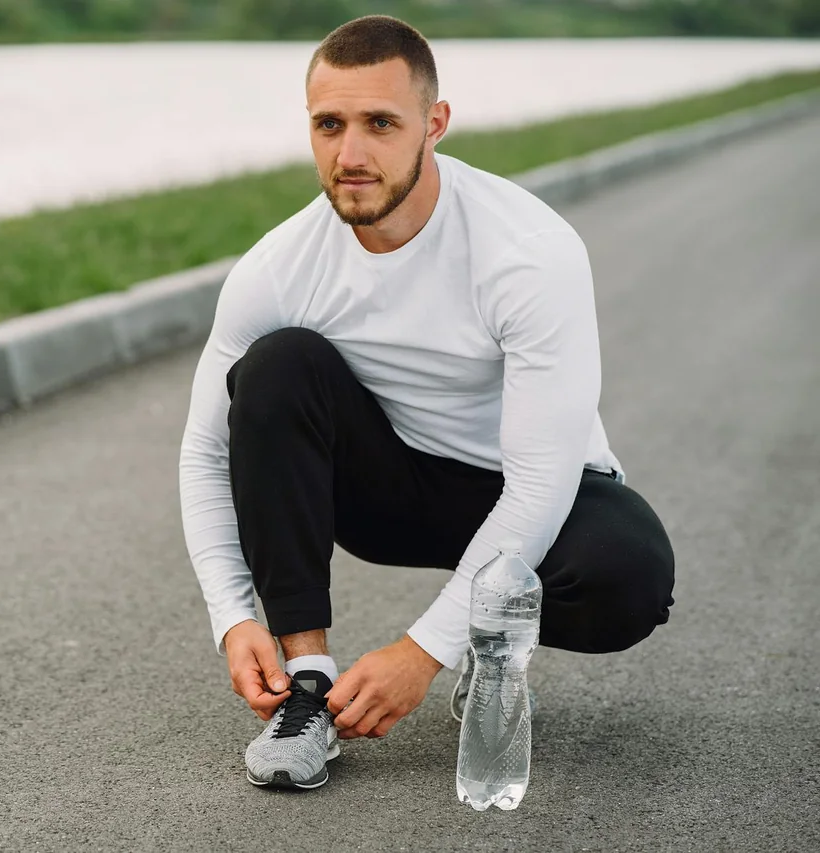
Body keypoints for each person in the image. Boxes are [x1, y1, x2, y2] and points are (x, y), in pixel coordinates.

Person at [177, 14, 676, 791]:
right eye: (329, 124)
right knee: (274, 367)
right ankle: (305, 688)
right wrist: (232, 615)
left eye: (381, 123)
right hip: (387, 492)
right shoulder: (277, 268)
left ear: (434, 124)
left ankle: (492, 642)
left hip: (526, 491)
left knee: (632, 574)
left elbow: (541, 484)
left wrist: (424, 651)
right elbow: (206, 450)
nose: (350, 154)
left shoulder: (527, 252)